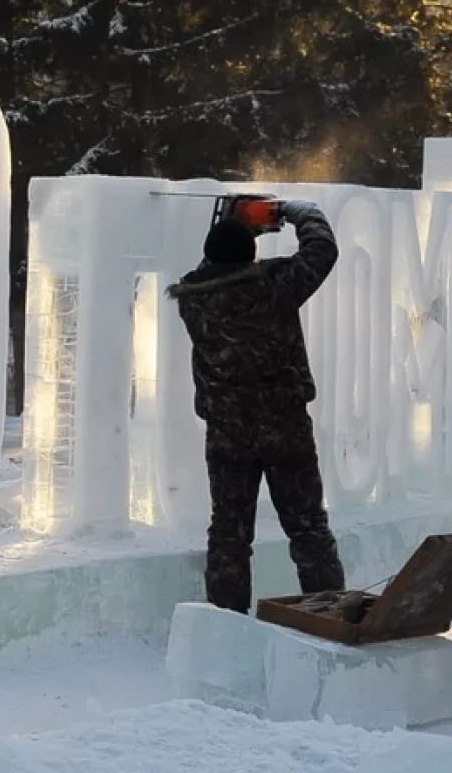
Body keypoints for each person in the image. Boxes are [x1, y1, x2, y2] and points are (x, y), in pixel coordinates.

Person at [167, 199, 346, 614]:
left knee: (229, 534)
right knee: (308, 530)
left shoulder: (194, 301)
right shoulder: (275, 286)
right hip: (285, 428)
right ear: (251, 256)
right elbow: (321, 250)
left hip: (227, 434)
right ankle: (329, 614)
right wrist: (297, 212)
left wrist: (234, 227)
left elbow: (213, 266)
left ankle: (227, 624)